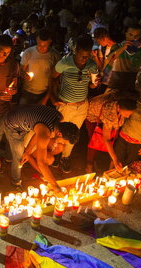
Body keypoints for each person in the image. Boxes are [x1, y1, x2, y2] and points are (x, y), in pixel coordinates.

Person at [50, 35, 99, 173]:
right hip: (65, 105)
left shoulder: (91, 65)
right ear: (75, 51)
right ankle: (55, 153)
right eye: (82, 55)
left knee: (74, 133)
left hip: (82, 105)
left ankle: (66, 157)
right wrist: (53, 97)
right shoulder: (64, 63)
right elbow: (52, 78)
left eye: (88, 55)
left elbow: (92, 86)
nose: (85, 59)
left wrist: (95, 83)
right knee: (60, 132)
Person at [4, 105, 79, 193]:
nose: (62, 143)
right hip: (13, 125)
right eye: (63, 141)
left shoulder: (59, 117)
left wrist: (28, 152)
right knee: (19, 155)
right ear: (59, 134)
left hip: (20, 115)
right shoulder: (45, 133)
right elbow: (42, 163)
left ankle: (9, 154)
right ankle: (16, 181)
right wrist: (55, 186)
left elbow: (39, 132)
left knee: (21, 151)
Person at [85, 91, 138, 172]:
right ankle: (89, 165)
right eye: (126, 114)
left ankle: (98, 160)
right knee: (95, 141)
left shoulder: (121, 98)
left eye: (129, 114)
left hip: (101, 113)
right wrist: (115, 160)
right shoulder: (109, 113)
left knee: (104, 142)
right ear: (119, 107)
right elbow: (106, 138)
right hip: (93, 117)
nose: (127, 116)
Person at [19, 28, 60, 106]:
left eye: (45, 45)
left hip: (44, 93)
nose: (41, 47)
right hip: (27, 92)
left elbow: (55, 79)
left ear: (50, 41)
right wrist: (24, 75)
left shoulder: (55, 55)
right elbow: (21, 70)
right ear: (37, 40)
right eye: (39, 44)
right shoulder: (28, 52)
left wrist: (47, 97)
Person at [106, 24, 141, 91]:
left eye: (136, 36)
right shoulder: (117, 46)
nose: (133, 38)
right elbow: (110, 59)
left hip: (131, 87)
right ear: (126, 34)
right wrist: (123, 48)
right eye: (130, 35)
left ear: (140, 36)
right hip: (115, 85)